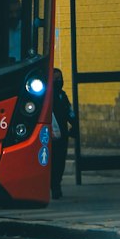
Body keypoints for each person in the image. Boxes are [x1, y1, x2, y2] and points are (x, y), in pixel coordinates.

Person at [50, 67, 76, 198]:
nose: (59, 81)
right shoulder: (47, 97)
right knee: (53, 162)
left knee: (60, 162)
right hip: (51, 135)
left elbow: (70, 112)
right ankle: (54, 187)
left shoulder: (62, 96)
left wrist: (74, 126)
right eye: (56, 79)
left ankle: (56, 185)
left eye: (60, 79)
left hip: (62, 134)